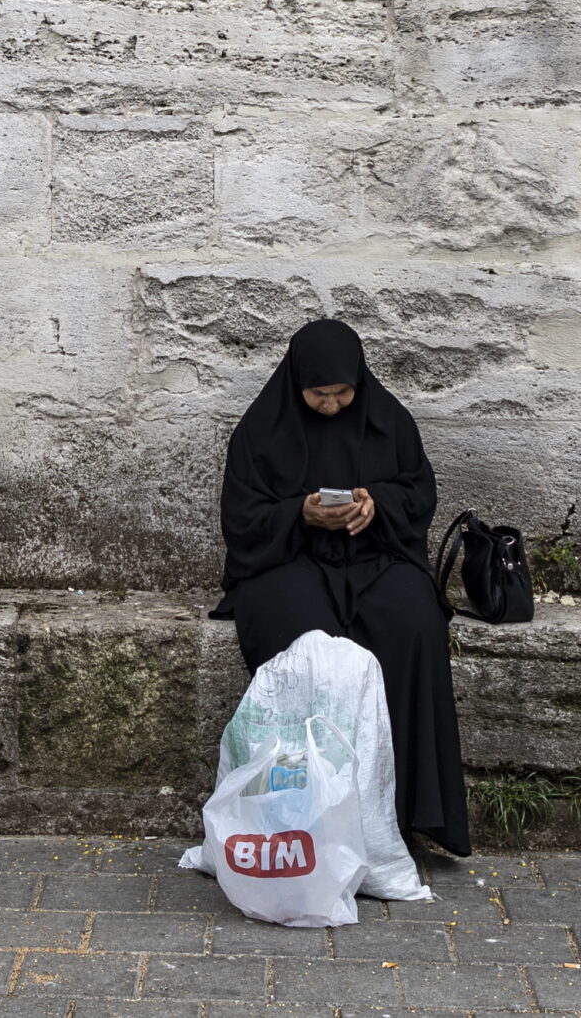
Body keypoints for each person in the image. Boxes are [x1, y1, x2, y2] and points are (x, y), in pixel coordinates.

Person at [211, 318, 472, 856]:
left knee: (414, 622)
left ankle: (405, 815)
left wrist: (377, 504)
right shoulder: (262, 429)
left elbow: (417, 493)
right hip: (288, 564)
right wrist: (300, 514)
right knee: (308, 643)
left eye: (342, 392)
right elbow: (241, 518)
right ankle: (305, 821)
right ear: (296, 383)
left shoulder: (388, 420)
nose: (331, 405)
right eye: (318, 394)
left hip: (375, 557)